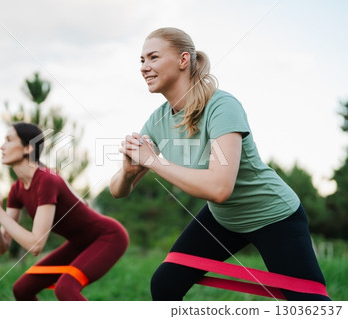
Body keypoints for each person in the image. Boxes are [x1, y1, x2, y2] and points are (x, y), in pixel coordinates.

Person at [110, 27, 330, 301]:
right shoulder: (157, 121)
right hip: (224, 218)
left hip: (273, 214)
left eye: (153, 57)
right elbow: (118, 191)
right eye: (141, 60)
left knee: (310, 304)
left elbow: (219, 188)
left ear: (183, 60)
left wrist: (153, 161)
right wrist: (128, 173)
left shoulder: (222, 106)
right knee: (165, 284)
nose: (144, 67)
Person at [0, 122, 129, 301]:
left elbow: (36, 245)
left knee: (66, 289)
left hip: (108, 237)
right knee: (22, 289)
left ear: (28, 148)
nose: (2, 146)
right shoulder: (17, 189)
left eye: (9, 140)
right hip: (78, 244)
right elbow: (2, 247)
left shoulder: (46, 180)